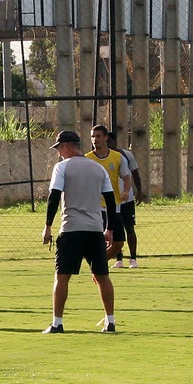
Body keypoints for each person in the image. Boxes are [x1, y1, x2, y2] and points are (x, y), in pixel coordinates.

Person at [40, 130, 117, 333]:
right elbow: (110, 200)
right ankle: (110, 321)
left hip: (72, 228)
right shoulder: (98, 169)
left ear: (66, 146)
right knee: (102, 276)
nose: (58, 153)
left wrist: (47, 226)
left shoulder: (62, 167)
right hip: (94, 230)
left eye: (59, 148)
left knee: (62, 276)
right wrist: (109, 228)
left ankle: (57, 323)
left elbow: (54, 197)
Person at [84, 124, 137, 268]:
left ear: (106, 137)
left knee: (119, 242)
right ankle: (98, 265)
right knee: (99, 239)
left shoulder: (117, 157)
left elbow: (127, 178)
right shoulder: (87, 159)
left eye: (98, 136)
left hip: (115, 206)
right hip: (96, 206)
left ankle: (99, 263)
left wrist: (126, 191)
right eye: (93, 137)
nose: (95, 140)